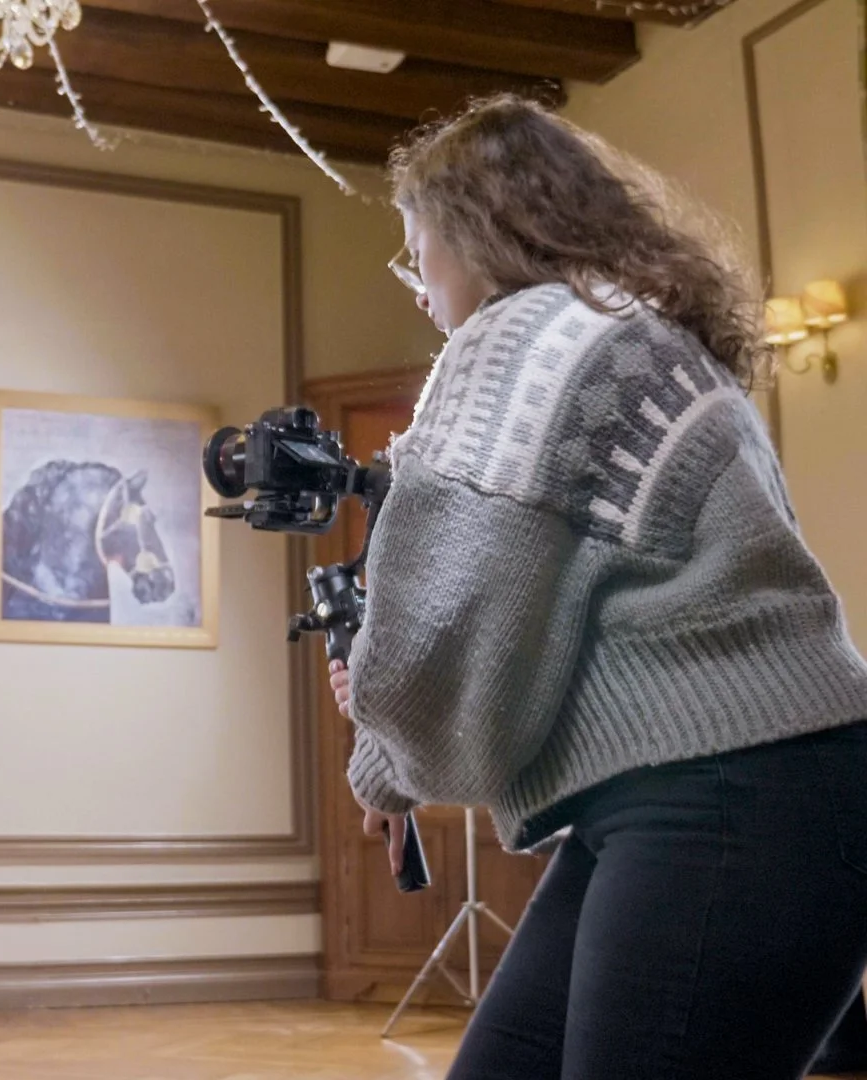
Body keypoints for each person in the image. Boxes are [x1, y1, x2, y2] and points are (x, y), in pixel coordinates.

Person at [327, 95, 867, 1079]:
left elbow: (448, 626)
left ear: (477, 234)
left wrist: (382, 759)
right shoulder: (634, 332)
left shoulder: (516, 340)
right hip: (762, 790)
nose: (417, 286)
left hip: (727, 794)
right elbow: (554, 617)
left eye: (419, 252)